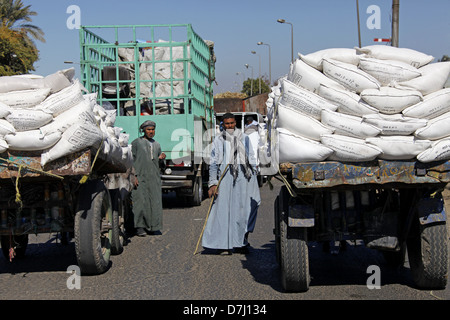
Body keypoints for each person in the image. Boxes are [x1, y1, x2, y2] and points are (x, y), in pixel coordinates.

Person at [202, 113, 261, 254]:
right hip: (225, 177)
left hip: (243, 177)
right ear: (223, 124)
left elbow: (251, 158)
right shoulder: (218, 140)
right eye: (227, 124)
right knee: (223, 211)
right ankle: (223, 245)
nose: (230, 126)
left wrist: (255, 175)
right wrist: (213, 183)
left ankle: (241, 242)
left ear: (236, 122)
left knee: (244, 210)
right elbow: (213, 164)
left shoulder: (244, 138)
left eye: (232, 123)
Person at [131, 120, 166, 236]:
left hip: (153, 178)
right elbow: (131, 160)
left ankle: (153, 226)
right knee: (140, 202)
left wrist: (161, 158)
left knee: (154, 202)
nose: (151, 132)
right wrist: (133, 176)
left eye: (152, 129)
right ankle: (140, 227)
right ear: (144, 130)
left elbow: (160, 164)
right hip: (140, 177)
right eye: (148, 130)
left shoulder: (157, 145)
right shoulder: (137, 143)